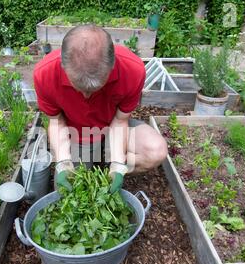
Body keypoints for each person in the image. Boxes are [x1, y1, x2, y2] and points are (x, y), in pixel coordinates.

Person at [33, 24, 167, 193]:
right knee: (70, 190)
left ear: (112, 66)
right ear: (62, 65)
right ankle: (97, 163)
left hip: (113, 125)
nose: (86, 96)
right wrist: (63, 163)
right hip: (77, 133)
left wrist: (118, 165)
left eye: (94, 89)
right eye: (78, 87)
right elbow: (56, 121)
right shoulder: (44, 74)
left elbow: (120, 120)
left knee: (155, 151)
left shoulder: (132, 70)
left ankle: (107, 169)